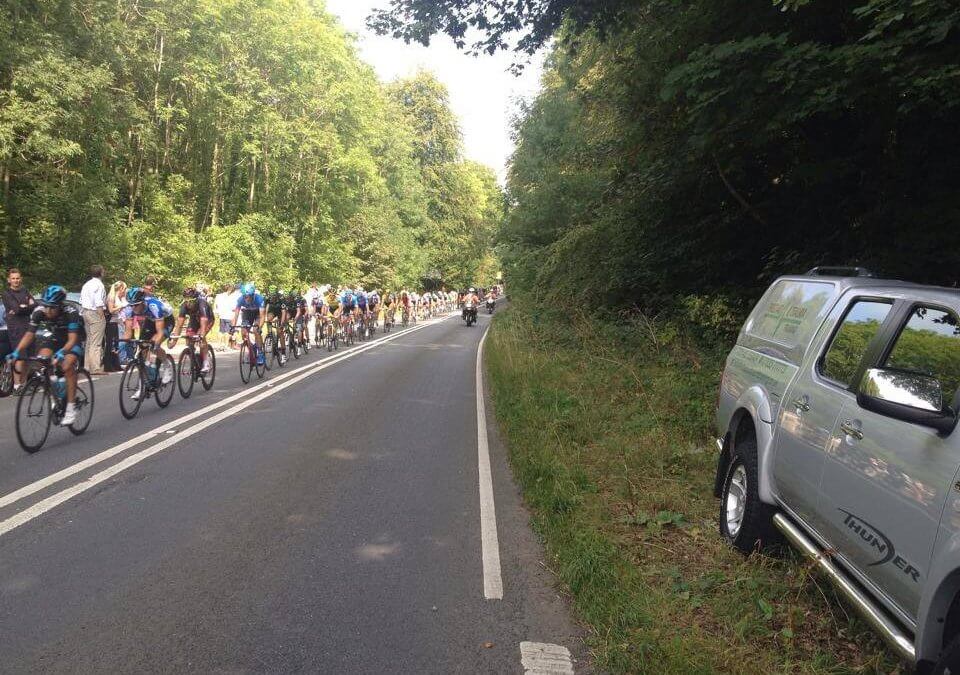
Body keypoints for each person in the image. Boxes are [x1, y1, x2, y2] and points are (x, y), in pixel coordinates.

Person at [6, 285, 83, 425]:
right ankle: (55, 397)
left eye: (52, 307)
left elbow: (72, 340)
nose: (48, 310)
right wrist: (16, 352)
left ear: (60, 305)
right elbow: (29, 334)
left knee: (67, 366)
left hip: (72, 339)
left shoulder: (70, 312)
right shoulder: (39, 311)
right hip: (53, 338)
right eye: (46, 306)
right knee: (43, 361)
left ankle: (71, 408)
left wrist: (62, 353)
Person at [122, 286, 174, 400]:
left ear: (143, 302)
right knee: (143, 349)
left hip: (165, 320)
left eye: (136, 305)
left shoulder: (154, 306)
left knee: (154, 344)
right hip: (150, 320)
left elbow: (160, 332)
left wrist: (154, 344)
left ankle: (166, 365)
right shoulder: (129, 308)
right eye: (131, 305)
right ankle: (144, 385)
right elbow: (127, 332)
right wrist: (121, 344)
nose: (133, 307)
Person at [2, 268, 36, 393]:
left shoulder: (25, 290)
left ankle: (25, 383)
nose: (16, 281)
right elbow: (16, 309)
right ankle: (17, 386)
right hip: (15, 328)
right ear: (9, 280)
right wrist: (25, 306)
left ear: (20, 279)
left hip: (29, 326)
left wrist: (24, 307)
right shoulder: (6, 293)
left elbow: (35, 305)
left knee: (28, 357)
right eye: (13, 279)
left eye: (17, 278)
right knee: (20, 356)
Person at [168, 287, 214, 373]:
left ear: (196, 299)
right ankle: (194, 358)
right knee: (189, 339)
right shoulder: (184, 306)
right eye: (186, 300)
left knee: (201, 337)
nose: (188, 303)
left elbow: (204, 323)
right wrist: (174, 341)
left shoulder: (202, 304)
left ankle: (206, 361)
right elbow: (179, 324)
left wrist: (201, 335)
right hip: (194, 320)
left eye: (191, 300)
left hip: (207, 319)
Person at [80, 264, 107, 375]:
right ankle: (95, 367)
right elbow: (98, 302)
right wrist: (102, 316)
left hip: (85, 312)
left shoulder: (87, 284)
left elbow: (81, 300)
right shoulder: (99, 285)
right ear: (100, 273)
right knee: (96, 342)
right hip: (95, 312)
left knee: (90, 340)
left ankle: (87, 366)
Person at [231, 283, 266, 366]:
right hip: (247, 313)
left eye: (248, 296)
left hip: (258, 313)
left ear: (253, 294)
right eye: (245, 296)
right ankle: (251, 349)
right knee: (243, 333)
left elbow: (262, 316)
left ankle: (260, 353)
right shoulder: (240, 299)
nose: (247, 298)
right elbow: (236, 315)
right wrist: (232, 327)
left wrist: (260, 327)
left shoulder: (259, 299)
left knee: (256, 330)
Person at [106, 280, 128, 370]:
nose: (124, 291)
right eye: (124, 289)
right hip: (111, 322)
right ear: (120, 288)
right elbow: (111, 310)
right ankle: (108, 365)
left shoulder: (118, 297)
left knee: (116, 344)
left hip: (117, 321)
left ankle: (116, 364)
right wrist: (121, 306)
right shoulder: (111, 297)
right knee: (111, 344)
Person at [213, 284, 236, 350]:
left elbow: (215, 305)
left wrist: (216, 312)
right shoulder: (232, 297)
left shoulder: (219, 296)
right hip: (229, 315)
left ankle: (219, 345)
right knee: (227, 331)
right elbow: (234, 307)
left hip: (221, 315)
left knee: (221, 331)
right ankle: (225, 346)